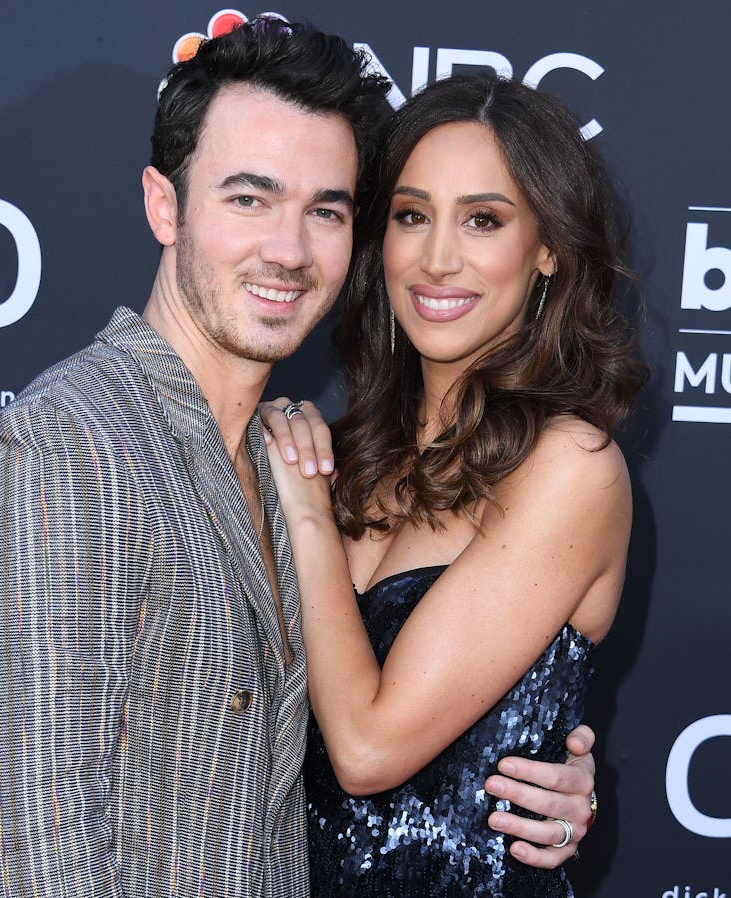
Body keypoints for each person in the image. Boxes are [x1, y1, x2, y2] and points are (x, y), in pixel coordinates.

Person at [0, 21, 596, 898]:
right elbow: (29, 854)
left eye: (326, 211)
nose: (288, 249)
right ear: (166, 205)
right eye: (248, 199)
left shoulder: (297, 462)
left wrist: (534, 749)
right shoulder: (66, 446)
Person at [262, 72, 647, 897]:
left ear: (547, 248)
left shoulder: (569, 467)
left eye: (483, 219)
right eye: (411, 215)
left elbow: (365, 751)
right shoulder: (342, 455)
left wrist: (306, 522)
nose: (438, 257)